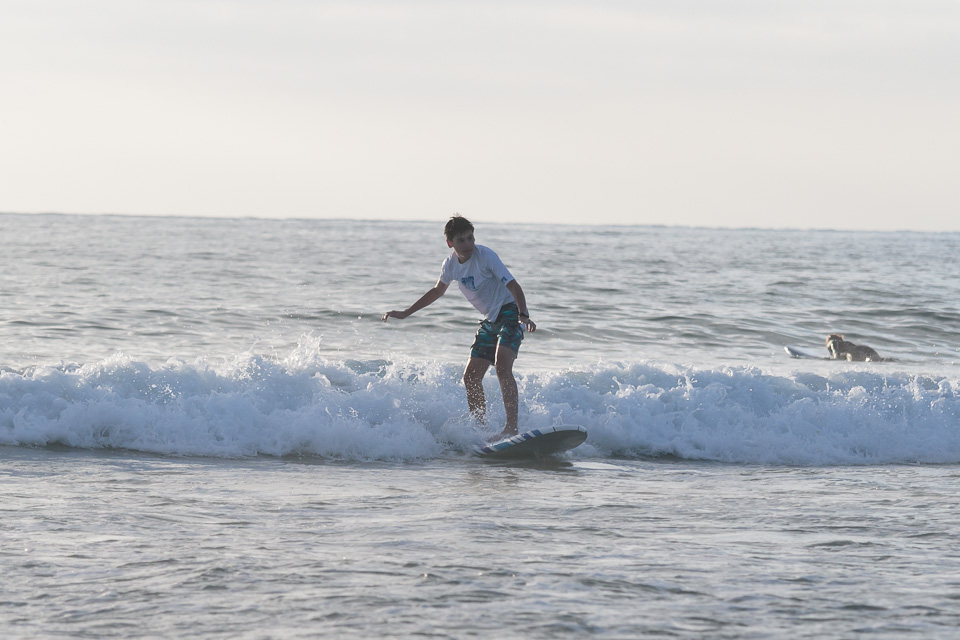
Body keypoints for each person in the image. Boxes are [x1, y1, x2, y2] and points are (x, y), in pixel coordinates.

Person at [382, 215, 536, 440]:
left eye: (470, 238)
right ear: (450, 243)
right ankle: (479, 430)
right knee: (471, 377)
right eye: (461, 240)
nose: (468, 244)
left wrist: (523, 315)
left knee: (502, 366)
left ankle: (511, 428)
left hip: (511, 311)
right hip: (491, 319)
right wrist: (406, 313)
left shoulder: (486, 256)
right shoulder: (450, 265)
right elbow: (437, 291)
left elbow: (513, 285)